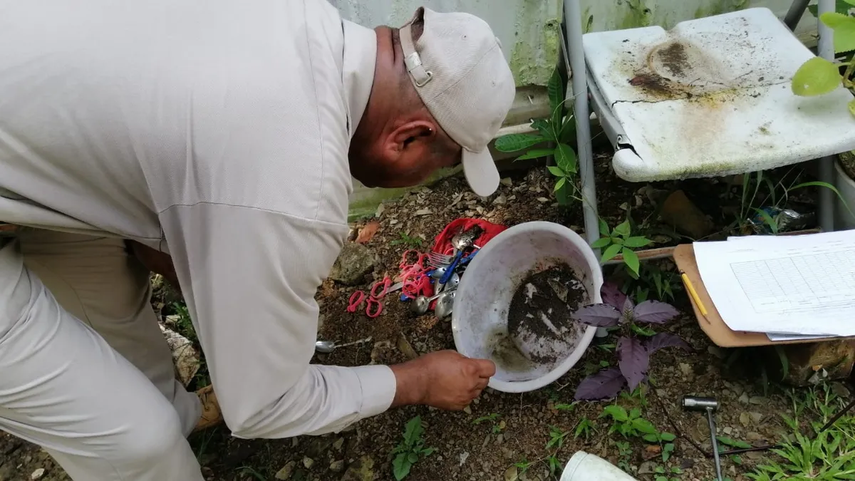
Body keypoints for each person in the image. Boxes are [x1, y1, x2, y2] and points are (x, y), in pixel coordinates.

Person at [0, 1, 516, 480]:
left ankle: (174, 411)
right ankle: (154, 441)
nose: (429, 179)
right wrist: (417, 381)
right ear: (408, 138)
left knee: (111, 302)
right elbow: (265, 406)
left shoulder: (299, 19)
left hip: (33, 116)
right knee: (139, 444)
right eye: (441, 166)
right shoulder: (297, 186)